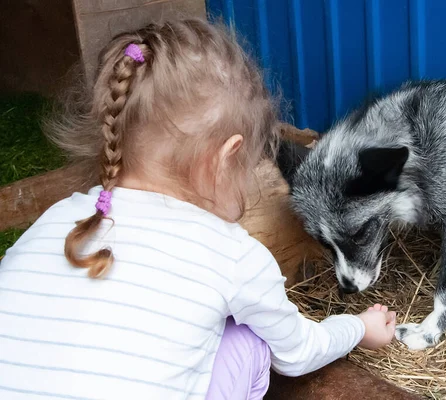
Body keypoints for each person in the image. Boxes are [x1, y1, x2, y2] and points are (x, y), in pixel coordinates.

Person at [0, 19, 396, 399]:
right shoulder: (234, 254)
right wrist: (359, 328)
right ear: (226, 158)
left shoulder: (53, 220)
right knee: (249, 338)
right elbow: (298, 354)